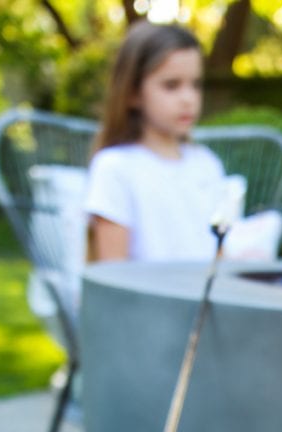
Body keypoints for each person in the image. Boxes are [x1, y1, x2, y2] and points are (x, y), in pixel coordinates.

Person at [85, 21, 227, 263]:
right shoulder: (115, 169)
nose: (188, 99)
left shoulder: (207, 164)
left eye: (195, 85)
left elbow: (219, 256)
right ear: (133, 94)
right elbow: (112, 275)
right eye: (171, 85)